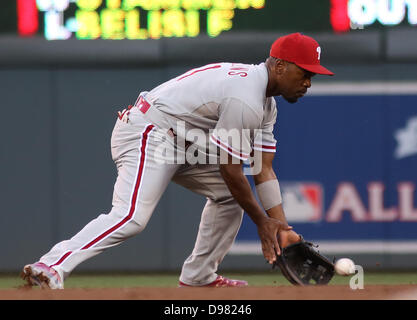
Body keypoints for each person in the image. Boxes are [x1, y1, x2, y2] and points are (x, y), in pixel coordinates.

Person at [21, 33, 334, 289]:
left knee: (230, 197)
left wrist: (281, 227)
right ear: (280, 66)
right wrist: (262, 223)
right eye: (305, 73)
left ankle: (199, 276)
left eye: (312, 75)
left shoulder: (267, 105)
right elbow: (230, 169)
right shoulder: (246, 97)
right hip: (149, 132)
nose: (308, 82)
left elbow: (262, 169)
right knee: (132, 217)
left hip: (184, 140)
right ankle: (50, 265)